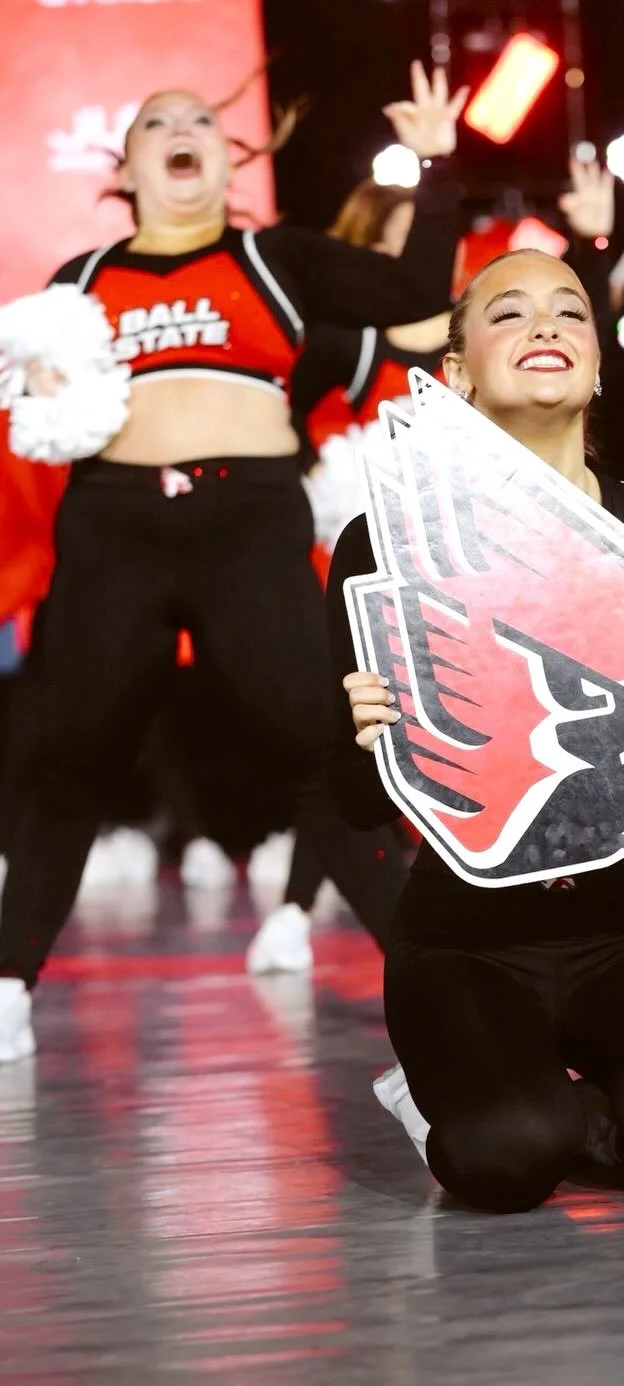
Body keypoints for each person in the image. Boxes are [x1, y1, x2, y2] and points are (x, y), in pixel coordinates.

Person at [0, 65, 467, 1063]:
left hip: (245, 523)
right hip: (112, 525)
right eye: (154, 122)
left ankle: (437, 980)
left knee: (327, 753)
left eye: (200, 121)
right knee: (68, 758)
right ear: (124, 166)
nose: (180, 129)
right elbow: (41, 421)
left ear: (229, 156)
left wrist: (435, 163)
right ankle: (5, 984)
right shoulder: (75, 284)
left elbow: (417, 292)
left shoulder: (276, 257)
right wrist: (38, 388)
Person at [326, 248, 624, 1214]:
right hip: (467, 937)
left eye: (569, 312)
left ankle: (535, 1090)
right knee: (506, 1157)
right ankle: (467, 1093)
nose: (545, 327)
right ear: (454, 373)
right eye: (509, 314)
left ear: (598, 359)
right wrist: (358, 732)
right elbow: (358, 801)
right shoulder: (388, 541)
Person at [259, 158, 618, 962]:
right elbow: (269, 416)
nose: (429, 260)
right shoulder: (350, 348)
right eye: (409, 243)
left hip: (480, 555)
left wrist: (594, 243)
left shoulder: (495, 351)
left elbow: (589, 341)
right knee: (363, 729)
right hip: (369, 555)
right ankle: (302, 908)